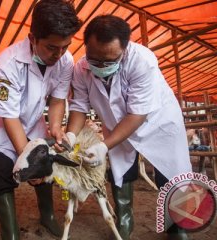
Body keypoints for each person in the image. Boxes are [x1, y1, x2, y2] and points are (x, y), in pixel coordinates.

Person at [65, 15, 192, 240]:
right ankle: (124, 219)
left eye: (109, 61)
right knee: (119, 170)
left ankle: (178, 226)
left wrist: (104, 146)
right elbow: (79, 107)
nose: (100, 66)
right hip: (117, 126)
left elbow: (137, 114)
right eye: (95, 59)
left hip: (157, 122)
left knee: (171, 171)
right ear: (85, 46)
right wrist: (71, 135)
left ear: (125, 48)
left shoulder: (143, 61)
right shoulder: (81, 68)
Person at [0, 1, 82, 239]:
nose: (59, 54)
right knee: (3, 178)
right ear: (32, 38)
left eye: (65, 46)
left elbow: (57, 100)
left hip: (34, 124)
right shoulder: (7, 64)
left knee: (45, 174)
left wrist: (55, 126)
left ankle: (48, 216)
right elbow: (9, 116)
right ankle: (10, 231)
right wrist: (28, 160)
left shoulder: (66, 61)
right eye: (51, 47)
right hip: (0, 130)